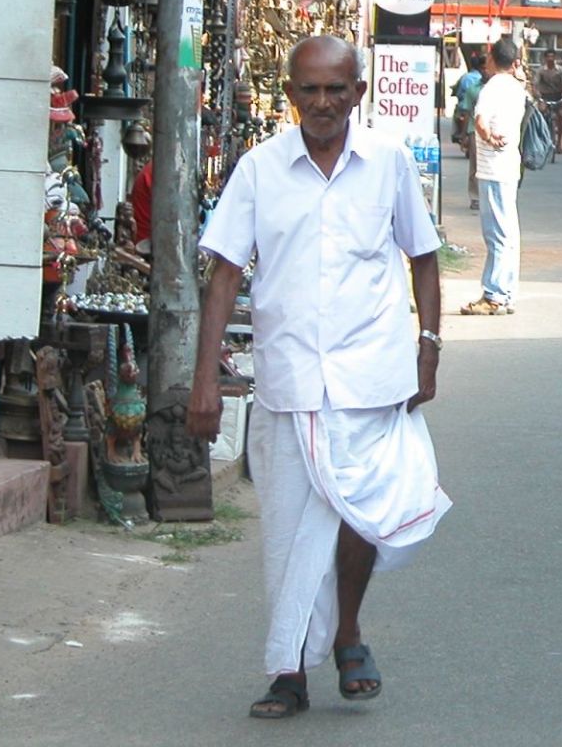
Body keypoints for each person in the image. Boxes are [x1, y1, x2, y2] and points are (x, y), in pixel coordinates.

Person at [188, 36, 451, 719]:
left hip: (371, 373)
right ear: (291, 95)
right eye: (310, 89)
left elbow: (423, 256)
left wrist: (428, 347)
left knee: (360, 513)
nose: (324, 102)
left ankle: (348, 631)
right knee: (288, 529)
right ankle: (289, 671)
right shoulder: (258, 168)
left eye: (337, 88)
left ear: (359, 92)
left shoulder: (388, 163)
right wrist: (204, 380)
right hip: (290, 378)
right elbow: (223, 274)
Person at [464, 37, 528, 316]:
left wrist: (489, 139)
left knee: (496, 233)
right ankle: (507, 293)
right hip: (509, 167)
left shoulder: (491, 88)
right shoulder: (518, 88)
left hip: (492, 167)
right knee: (509, 232)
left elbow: (479, 121)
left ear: (491, 59)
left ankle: (495, 294)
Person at [455, 53, 490, 210]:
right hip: (474, 131)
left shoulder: (496, 88)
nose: (485, 71)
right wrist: (464, 136)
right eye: (482, 69)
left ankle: (488, 197)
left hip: (493, 131)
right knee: (475, 166)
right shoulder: (472, 89)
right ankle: (475, 196)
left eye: (486, 68)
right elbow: (468, 113)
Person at [534, 51, 562, 150]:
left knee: (561, 116)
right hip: (545, 97)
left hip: (558, 96)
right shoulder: (540, 71)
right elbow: (535, 84)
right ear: (545, 58)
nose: (550, 59)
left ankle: (559, 142)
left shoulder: (560, 70)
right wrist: (537, 93)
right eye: (548, 57)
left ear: (555, 58)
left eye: (552, 57)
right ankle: (541, 139)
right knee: (541, 115)